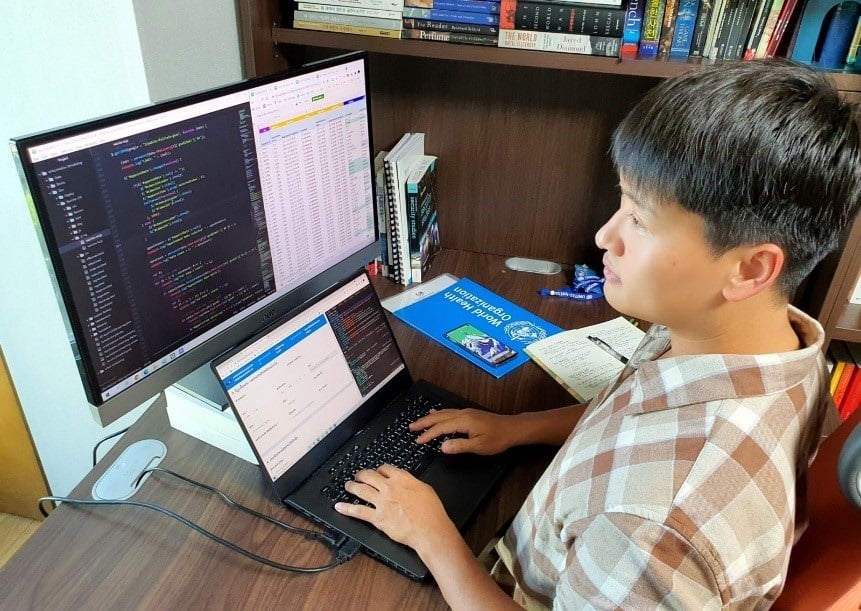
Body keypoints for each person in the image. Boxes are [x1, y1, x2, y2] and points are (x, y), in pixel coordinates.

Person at [335, 59, 861, 609]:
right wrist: (517, 428)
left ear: (750, 269)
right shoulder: (761, 341)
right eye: (622, 201)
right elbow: (631, 421)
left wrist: (432, 536)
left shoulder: (655, 531)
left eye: (641, 220)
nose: (605, 236)